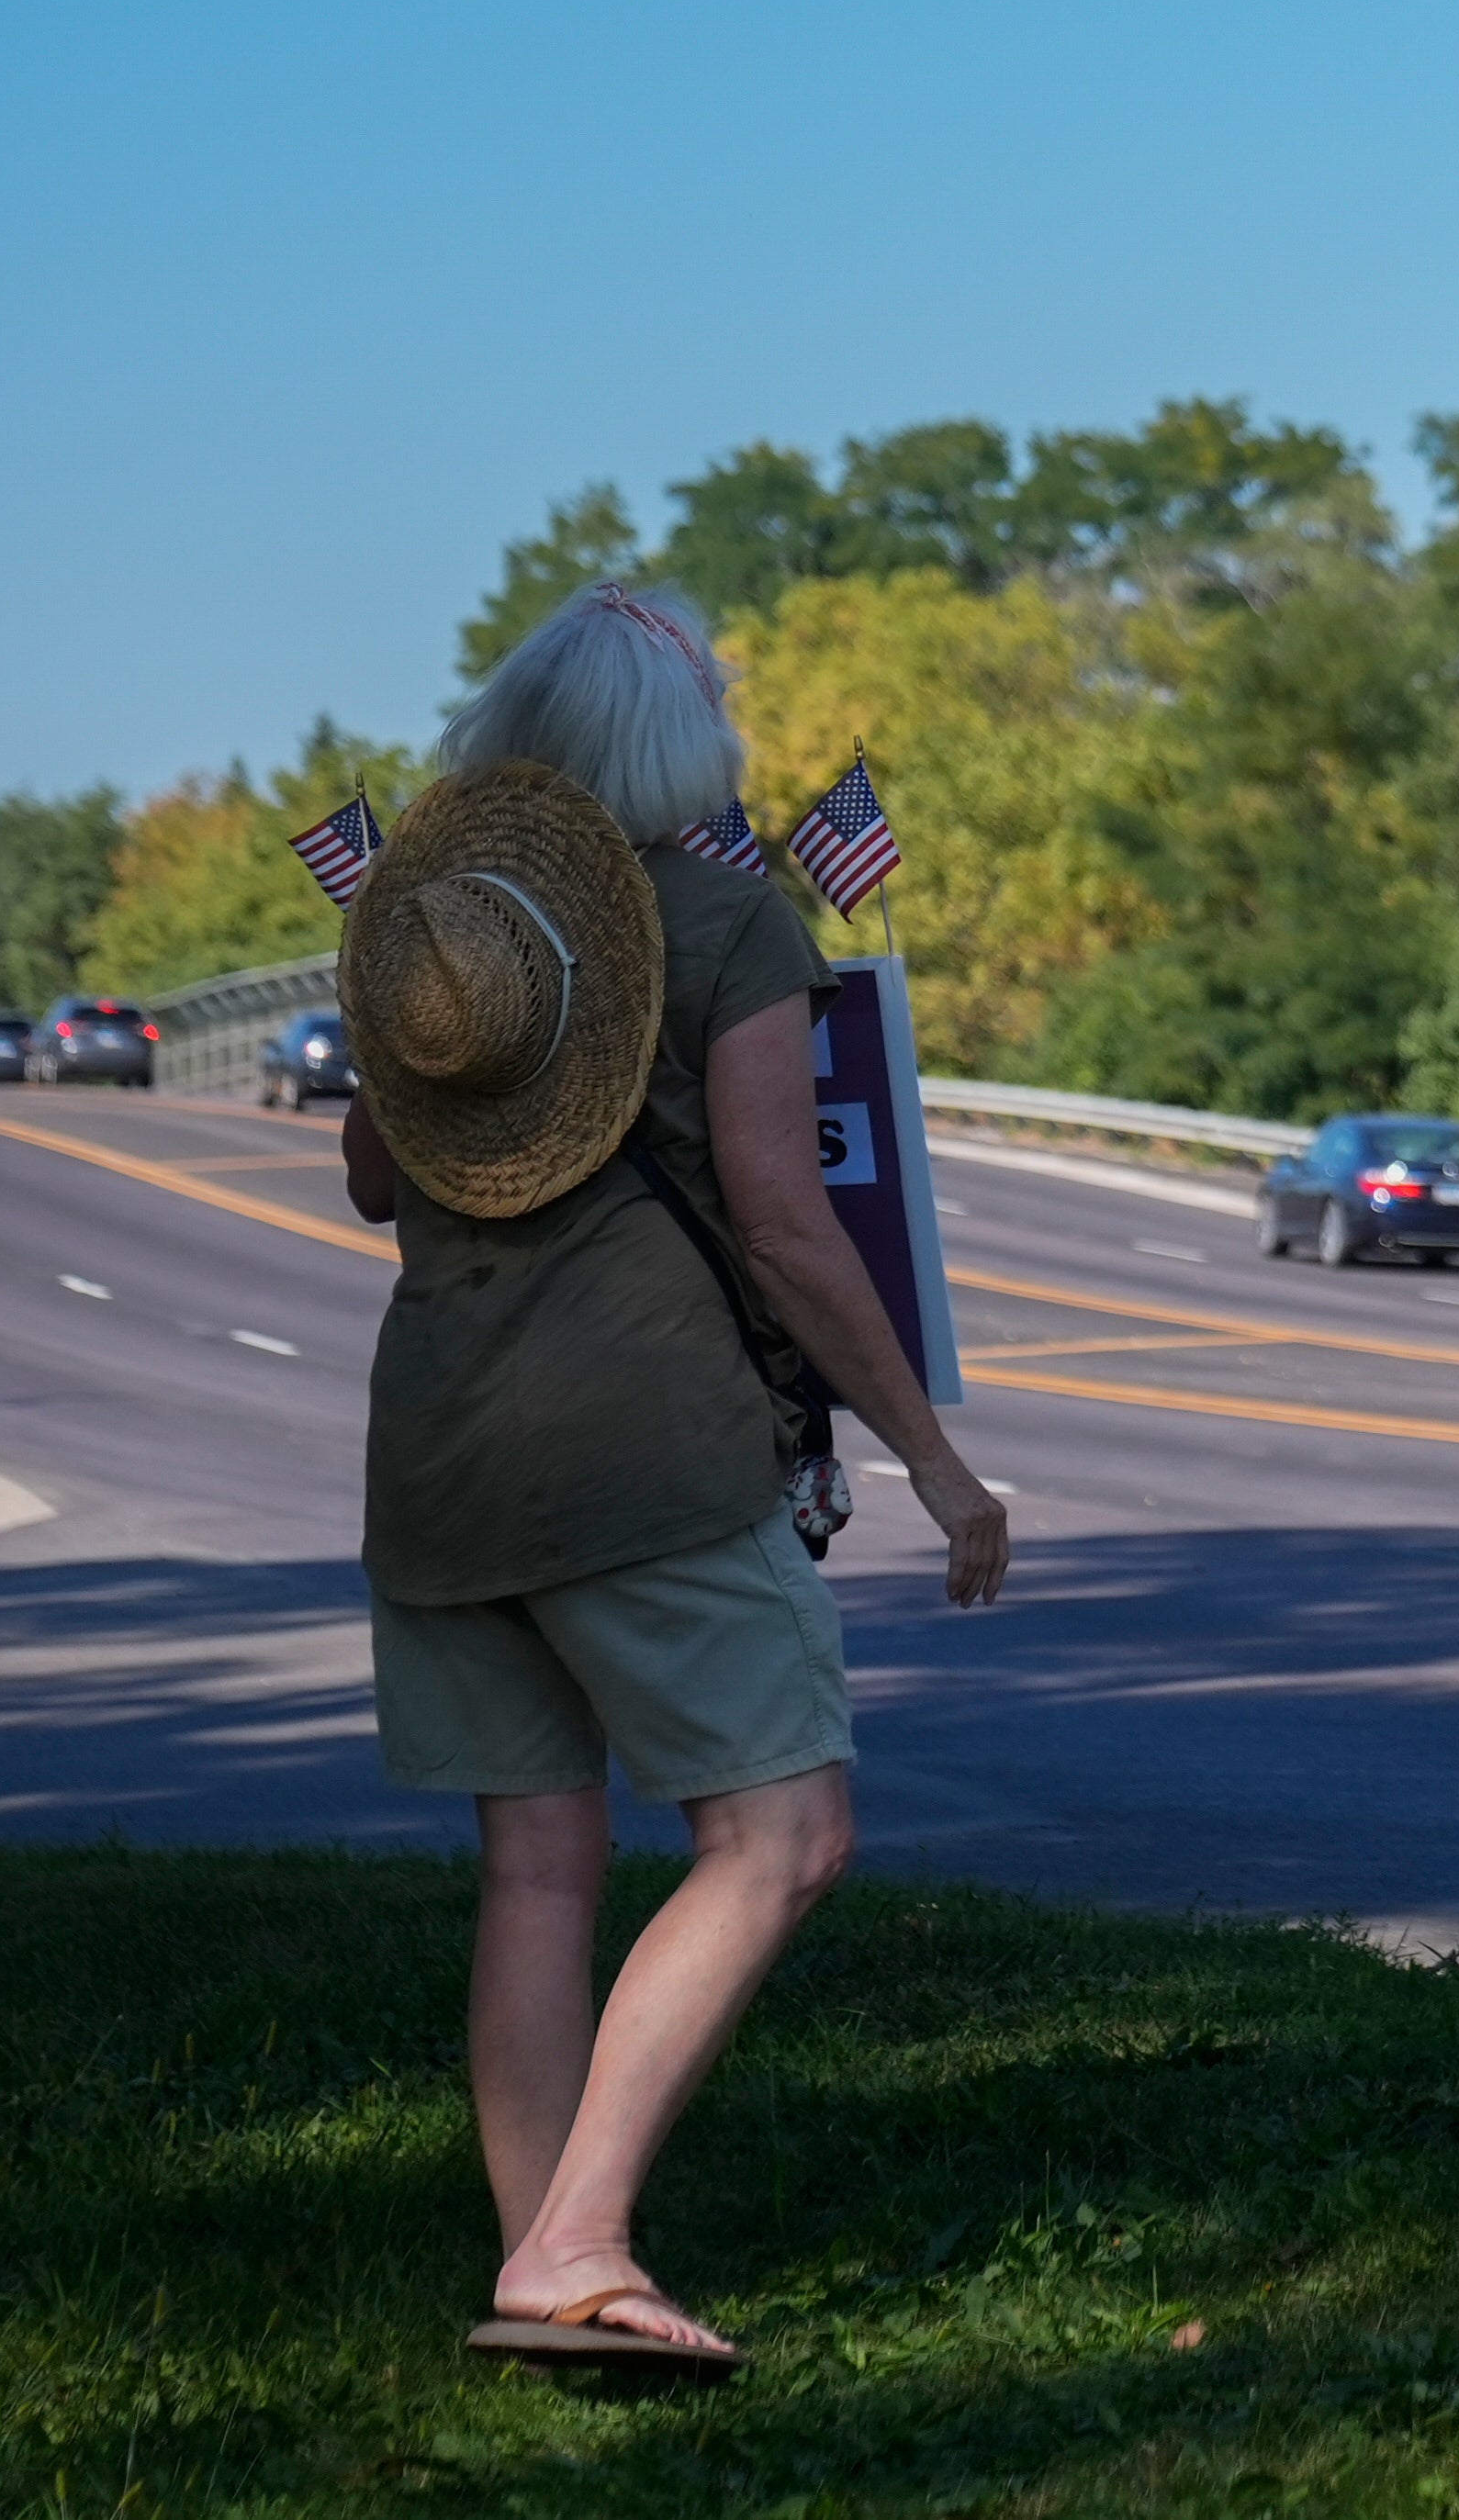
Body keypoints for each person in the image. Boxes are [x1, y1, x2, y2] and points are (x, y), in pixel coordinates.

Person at [332, 581, 1010, 2380]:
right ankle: (579, 2238)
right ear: (678, 744)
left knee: (540, 1869)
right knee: (783, 1835)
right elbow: (785, 1227)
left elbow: (375, 1184)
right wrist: (935, 1461)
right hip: (641, 1447)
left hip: (443, 1454)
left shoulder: (438, 932)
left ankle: (536, 2271)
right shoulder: (723, 922)